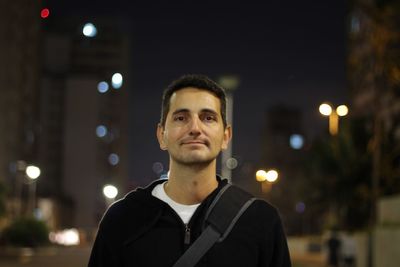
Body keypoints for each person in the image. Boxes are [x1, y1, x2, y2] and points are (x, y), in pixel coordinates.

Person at [88, 74, 292, 267]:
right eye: (181, 118)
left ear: (225, 137)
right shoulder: (122, 218)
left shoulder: (260, 221)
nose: (195, 127)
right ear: (162, 135)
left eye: (208, 118)